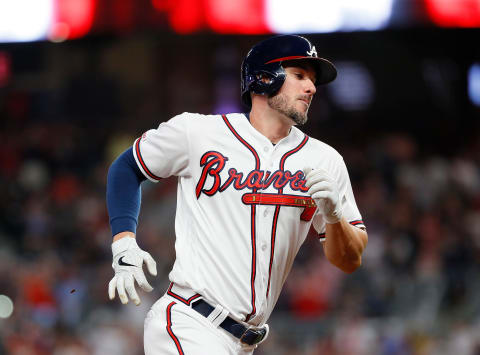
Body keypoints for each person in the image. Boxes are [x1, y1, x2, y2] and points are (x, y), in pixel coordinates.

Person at [106, 34, 368, 355]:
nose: (311, 88)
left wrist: (334, 216)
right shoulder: (199, 133)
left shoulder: (325, 160)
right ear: (263, 78)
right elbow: (126, 167)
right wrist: (123, 241)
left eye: (313, 80)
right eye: (299, 76)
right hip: (190, 321)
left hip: (246, 343)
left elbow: (349, 259)